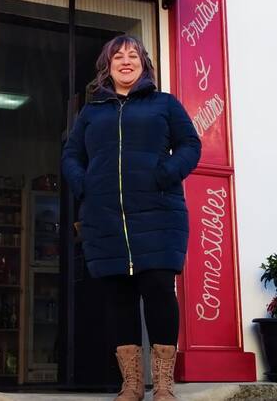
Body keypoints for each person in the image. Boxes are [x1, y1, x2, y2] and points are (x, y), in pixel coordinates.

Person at [61, 35, 201, 401]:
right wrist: (84, 185)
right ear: (107, 67)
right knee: (118, 297)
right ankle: (132, 385)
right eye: (118, 57)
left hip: (159, 214)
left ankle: (164, 385)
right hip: (105, 216)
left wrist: (165, 174)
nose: (126, 61)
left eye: (133, 55)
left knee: (159, 290)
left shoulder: (164, 104)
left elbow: (190, 145)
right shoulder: (91, 113)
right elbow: (71, 155)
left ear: (144, 64)